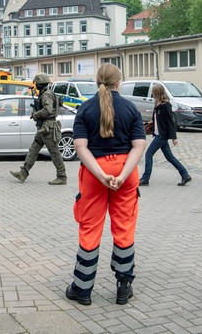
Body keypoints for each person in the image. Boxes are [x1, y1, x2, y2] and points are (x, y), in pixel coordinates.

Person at [65, 63, 146, 306]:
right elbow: (138, 145)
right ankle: (123, 287)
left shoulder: (85, 108)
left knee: (90, 229)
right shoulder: (131, 108)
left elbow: (80, 147)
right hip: (125, 171)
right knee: (124, 227)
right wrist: (121, 176)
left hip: (93, 173)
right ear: (119, 82)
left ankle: (82, 288)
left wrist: (101, 175)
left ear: (96, 81)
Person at [10, 73, 67, 185]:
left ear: (39, 84)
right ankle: (23, 173)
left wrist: (36, 115)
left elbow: (48, 110)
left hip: (48, 128)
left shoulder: (46, 95)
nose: (35, 85)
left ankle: (62, 176)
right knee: (33, 150)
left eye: (36, 83)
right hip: (44, 128)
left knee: (54, 152)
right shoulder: (48, 93)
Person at [139, 84, 191, 186]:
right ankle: (185, 175)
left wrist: (174, 137)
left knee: (148, 154)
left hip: (162, 136)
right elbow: (159, 120)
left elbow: (170, 122)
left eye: (153, 91)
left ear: (157, 92)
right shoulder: (157, 104)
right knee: (169, 157)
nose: (152, 93)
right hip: (159, 134)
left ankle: (145, 178)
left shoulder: (166, 105)